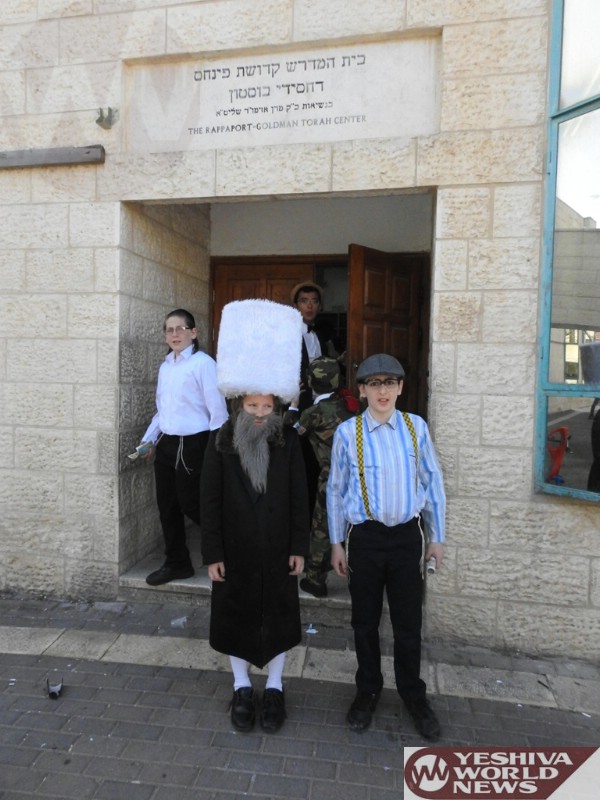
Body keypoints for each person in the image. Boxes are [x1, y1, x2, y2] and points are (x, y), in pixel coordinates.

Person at [201, 299, 310, 734]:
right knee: (235, 618)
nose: (260, 415)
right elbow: (209, 501)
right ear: (239, 405)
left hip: (279, 551)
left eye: (267, 407)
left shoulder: (290, 443)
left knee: (279, 619)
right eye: (252, 407)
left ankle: (276, 687)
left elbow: (301, 498)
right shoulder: (219, 443)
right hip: (235, 552)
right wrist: (212, 553)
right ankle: (242, 687)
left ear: (276, 406)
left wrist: (300, 547)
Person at [327, 353, 446, 740]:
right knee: (364, 622)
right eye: (374, 383)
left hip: (407, 538)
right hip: (365, 538)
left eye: (390, 382)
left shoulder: (415, 428)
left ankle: (413, 695)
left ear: (400, 387)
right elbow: (335, 490)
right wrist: (336, 543)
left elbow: (432, 482)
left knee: (408, 623)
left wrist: (437, 537)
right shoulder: (348, 433)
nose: (383, 391)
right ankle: (368, 690)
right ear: (362, 390)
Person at [139, 309, 228, 586]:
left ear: (194, 332)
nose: (175, 334)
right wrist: (148, 439)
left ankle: (231, 552)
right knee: (167, 506)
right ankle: (177, 563)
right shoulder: (166, 366)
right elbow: (162, 410)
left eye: (180, 328)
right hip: (167, 442)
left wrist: (216, 448)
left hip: (194, 443)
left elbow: (218, 411)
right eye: (169, 329)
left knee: (193, 504)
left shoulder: (203, 364)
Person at [287, 356, 359, 598]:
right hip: (358, 477)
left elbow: (291, 431)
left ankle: (315, 580)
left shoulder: (314, 412)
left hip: (332, 479)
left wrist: (293, 405)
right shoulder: (351, 405)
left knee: (322, 528)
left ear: (310, 381)